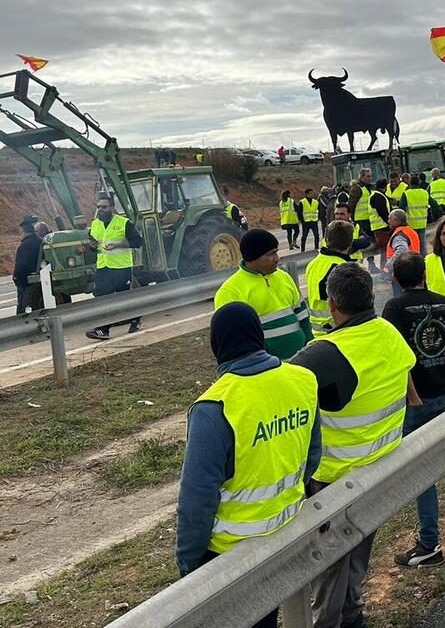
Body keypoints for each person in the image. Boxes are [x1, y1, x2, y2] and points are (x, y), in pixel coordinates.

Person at [176, 303, 321, 628]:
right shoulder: (303, 381)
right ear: (259, 335)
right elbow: (312, 458)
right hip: (287, 528)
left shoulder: (213, 408)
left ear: (217, 346)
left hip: (230, 553)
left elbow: (196, 501)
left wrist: (188, 563)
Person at [288, 265, 415, 628]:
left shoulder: (327, 352)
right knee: (357, 553)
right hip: (379, 467)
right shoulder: (388, 333)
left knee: (328, 567)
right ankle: (353, 616)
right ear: (370, 297)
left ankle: (330, 624)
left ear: (332, 304)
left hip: (336, 479)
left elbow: (283, 387)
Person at [382, 253, 445, 567]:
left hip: (417, 403)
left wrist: (411, 396)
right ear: (425, 274)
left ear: (396, 279)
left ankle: (429, 543)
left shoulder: (394, 309)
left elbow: (397, 357)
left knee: (422, 473)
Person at [214, 230, 311, 358]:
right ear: (253, 257)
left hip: (301, 361)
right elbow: (235, 340)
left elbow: (302, 315)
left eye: (276, 252)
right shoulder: (230, 291)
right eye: (271, 254)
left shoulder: (284, 277)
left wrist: (310, 346)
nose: (277, 258)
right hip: (267, 368)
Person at [86, 195, 144, 340]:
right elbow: (94, 244)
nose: (100, 209)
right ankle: (103, 330)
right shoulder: (95, 224)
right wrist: (91, 247)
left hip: (121, 267)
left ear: (112, 208)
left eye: (104, 207)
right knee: (102, 298)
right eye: (98, 207)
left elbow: (137, 241)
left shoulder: (124, 223)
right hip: (103, 267)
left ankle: (136, 319)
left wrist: (118, 245)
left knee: (123, 297)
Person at [305, 221, 358, 334]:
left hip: (317, 330)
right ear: (350, 242)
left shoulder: (313, 263)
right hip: (338, 329)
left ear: (326, 239)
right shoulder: (343, 268)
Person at [384, 209, 420, 296]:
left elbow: (402, 250)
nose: (388, 221)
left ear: (396, 220)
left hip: (402, 274)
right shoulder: (410, 231)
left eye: (390, 219)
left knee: (400, 301)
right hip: (415, 272)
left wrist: (388, 266)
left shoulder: (399, 235)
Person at [13, 214, 43, 315]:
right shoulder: (41, 242)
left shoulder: (25, 245)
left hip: (25, 282)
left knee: (23, 307)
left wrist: (16, 278)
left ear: (24, 229)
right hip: (39, 280)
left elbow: (21, 265)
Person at [398, 178, 432, 254]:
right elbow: (434, 204)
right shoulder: (425, 193)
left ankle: (414, 261)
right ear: (419, 182)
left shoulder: (406, 193)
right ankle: (424, 261)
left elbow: (401, 209)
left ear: (410, 183)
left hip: (411, 224)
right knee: (422, 244)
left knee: (413, 244)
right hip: (422, 223)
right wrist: (440, 213)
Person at [369, 178, 392, 271]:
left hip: (378, 227)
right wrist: (389, 222)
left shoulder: (376, 195)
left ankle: (385, 271)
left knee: (384, 250)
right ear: (385, 186)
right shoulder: (379, 196)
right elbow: (382, 211)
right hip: (382, 227)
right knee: (387, 249)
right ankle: (385, 271)